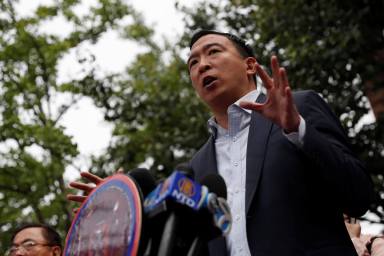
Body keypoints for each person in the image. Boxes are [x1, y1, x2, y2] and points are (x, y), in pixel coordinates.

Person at [68, 30, 373, 256]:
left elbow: (358, 194)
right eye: (193, 63)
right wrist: (120, 206)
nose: (201, 65)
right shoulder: (197, 168)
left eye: (213, 52)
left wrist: (297, 130)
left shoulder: (299, 107)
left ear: (250, 66)